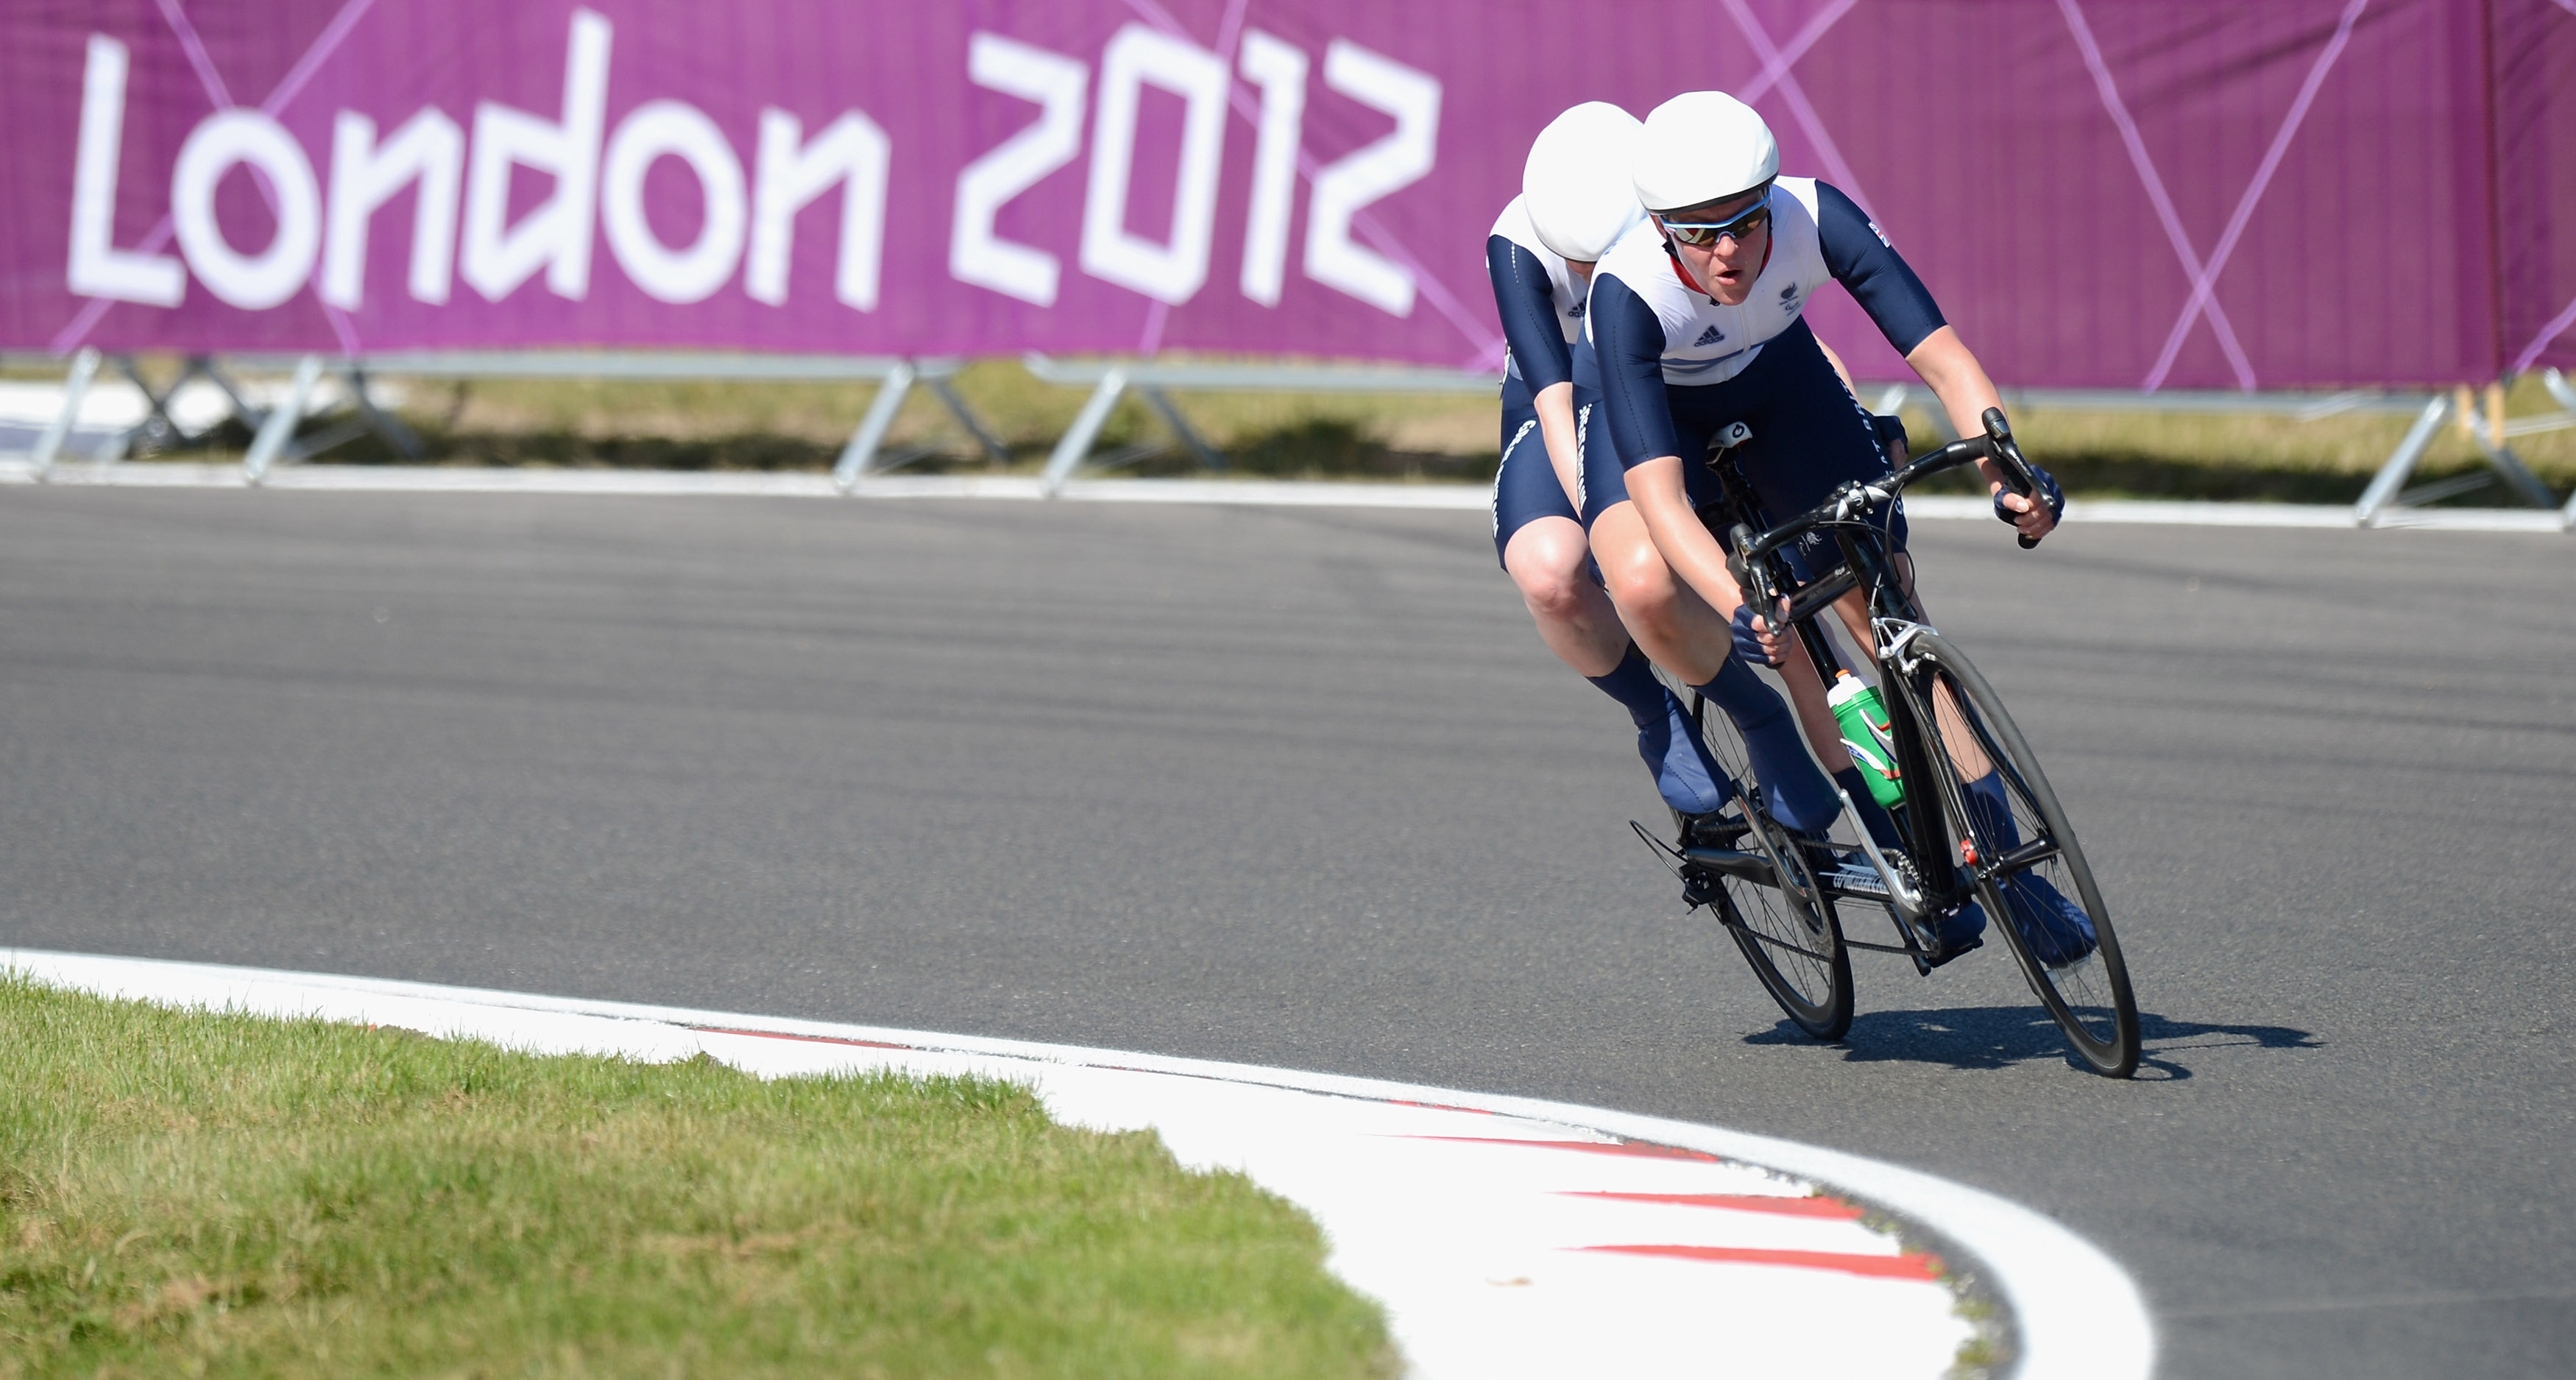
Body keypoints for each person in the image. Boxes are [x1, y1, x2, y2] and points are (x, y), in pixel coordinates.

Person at [1578, 91, 2088, 963]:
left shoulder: (1816, 215)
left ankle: (2003, 860)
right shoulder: (1626, 292)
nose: (1726, 251)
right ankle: (1890, 836)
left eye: (1741, 223)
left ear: (1769, 197)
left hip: (1779, 383)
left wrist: (2006, 470)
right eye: (1696, 234)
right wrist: (1741, 604)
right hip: (1665, 420)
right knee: (1784, 633)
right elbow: (1660, 502)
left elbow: (1943, 360)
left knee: (1880, 606)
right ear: (1661, 228)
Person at [1486, 103, 1730, 820]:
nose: (1601, 281)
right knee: (1550, 572)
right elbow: (1557, 408)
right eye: (1582, 267)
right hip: (1568, 391)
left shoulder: (1686, 204)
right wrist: (1603, 523)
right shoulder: (1516, 243)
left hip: (1678, 376)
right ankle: (1654, 716)